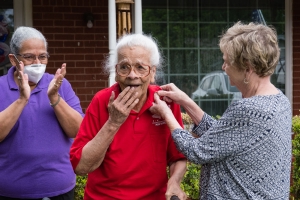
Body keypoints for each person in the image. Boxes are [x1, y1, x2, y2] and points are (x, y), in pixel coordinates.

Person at [149, 21, 292, 199]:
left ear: (247, 68)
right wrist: (186, 101)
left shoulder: (249, 110)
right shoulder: (280, 101)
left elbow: (197, 150)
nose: (223, 68)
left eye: (227, 62)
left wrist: (166, 113)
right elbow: (224, 139)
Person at [70, 33, 187, 200]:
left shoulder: (165, 102)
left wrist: (175, 182)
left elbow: (178, 157)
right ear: (116, 72)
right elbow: (81, 166)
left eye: (140, 67)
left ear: (152, 72)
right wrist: (113, 122)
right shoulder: (101, 100)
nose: (132, 75)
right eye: (124, 67)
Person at [0, 26, 84, 199]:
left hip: (60, 190)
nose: (37, 62)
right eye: (29, 57)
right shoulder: (0, 87)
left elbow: (78, 130)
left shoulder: (60, 84)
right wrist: (22, 99)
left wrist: (54, 97)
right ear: (14, 60)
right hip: (10, 192)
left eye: (43, 56)